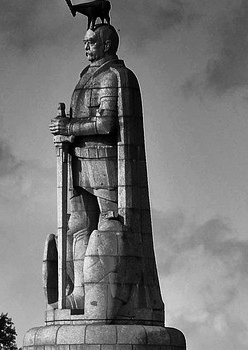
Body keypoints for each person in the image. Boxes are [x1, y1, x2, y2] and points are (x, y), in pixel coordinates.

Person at [48, 24, 163, 321]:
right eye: (85, 42)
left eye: (91, 42)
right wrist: (67, 135)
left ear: (108, 43)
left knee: (111, 229)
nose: (86, 48)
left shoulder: (113, 77)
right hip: (79, 163)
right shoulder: (85, 76)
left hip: (107, 166)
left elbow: (107, 123)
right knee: (78, 227)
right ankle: (81, 292)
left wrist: (69, 128)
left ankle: (109, 294)